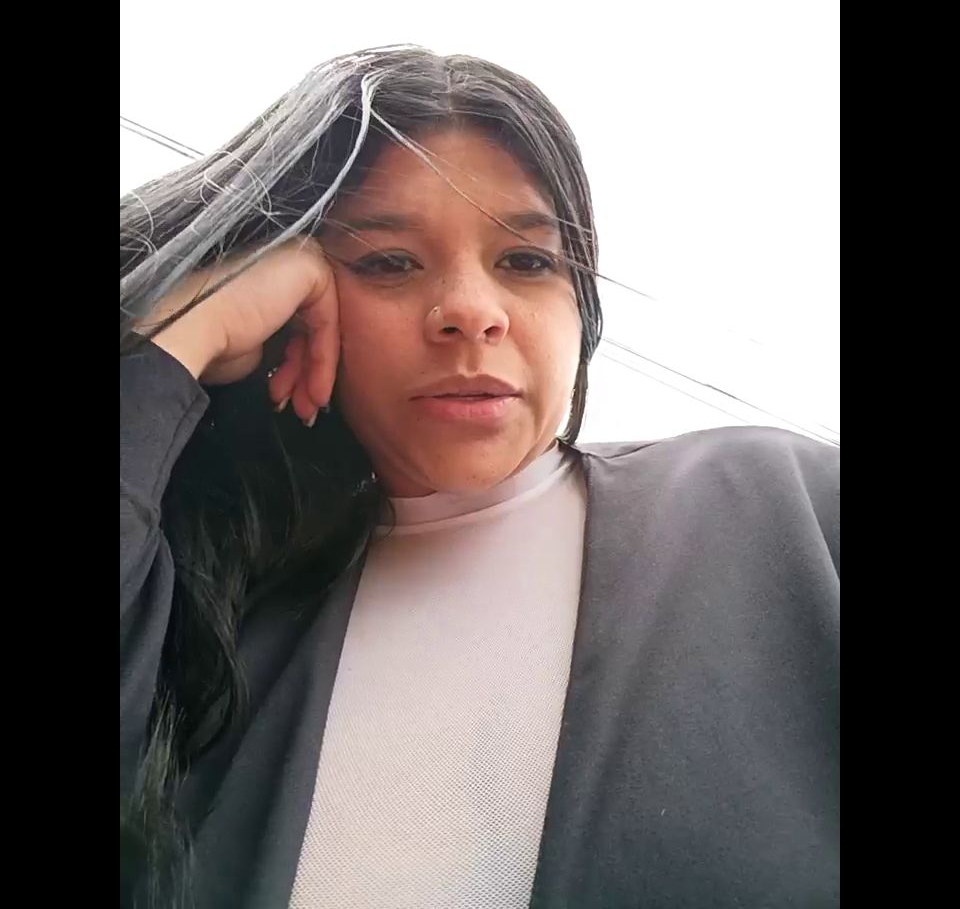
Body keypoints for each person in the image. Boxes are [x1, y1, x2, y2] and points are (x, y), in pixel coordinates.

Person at [120, 45, 839, 909]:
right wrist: (171, 341)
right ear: (296, 307)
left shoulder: (784, 512)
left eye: (527, 261)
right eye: (388, 262)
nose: (471, 312)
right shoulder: (213, 631)